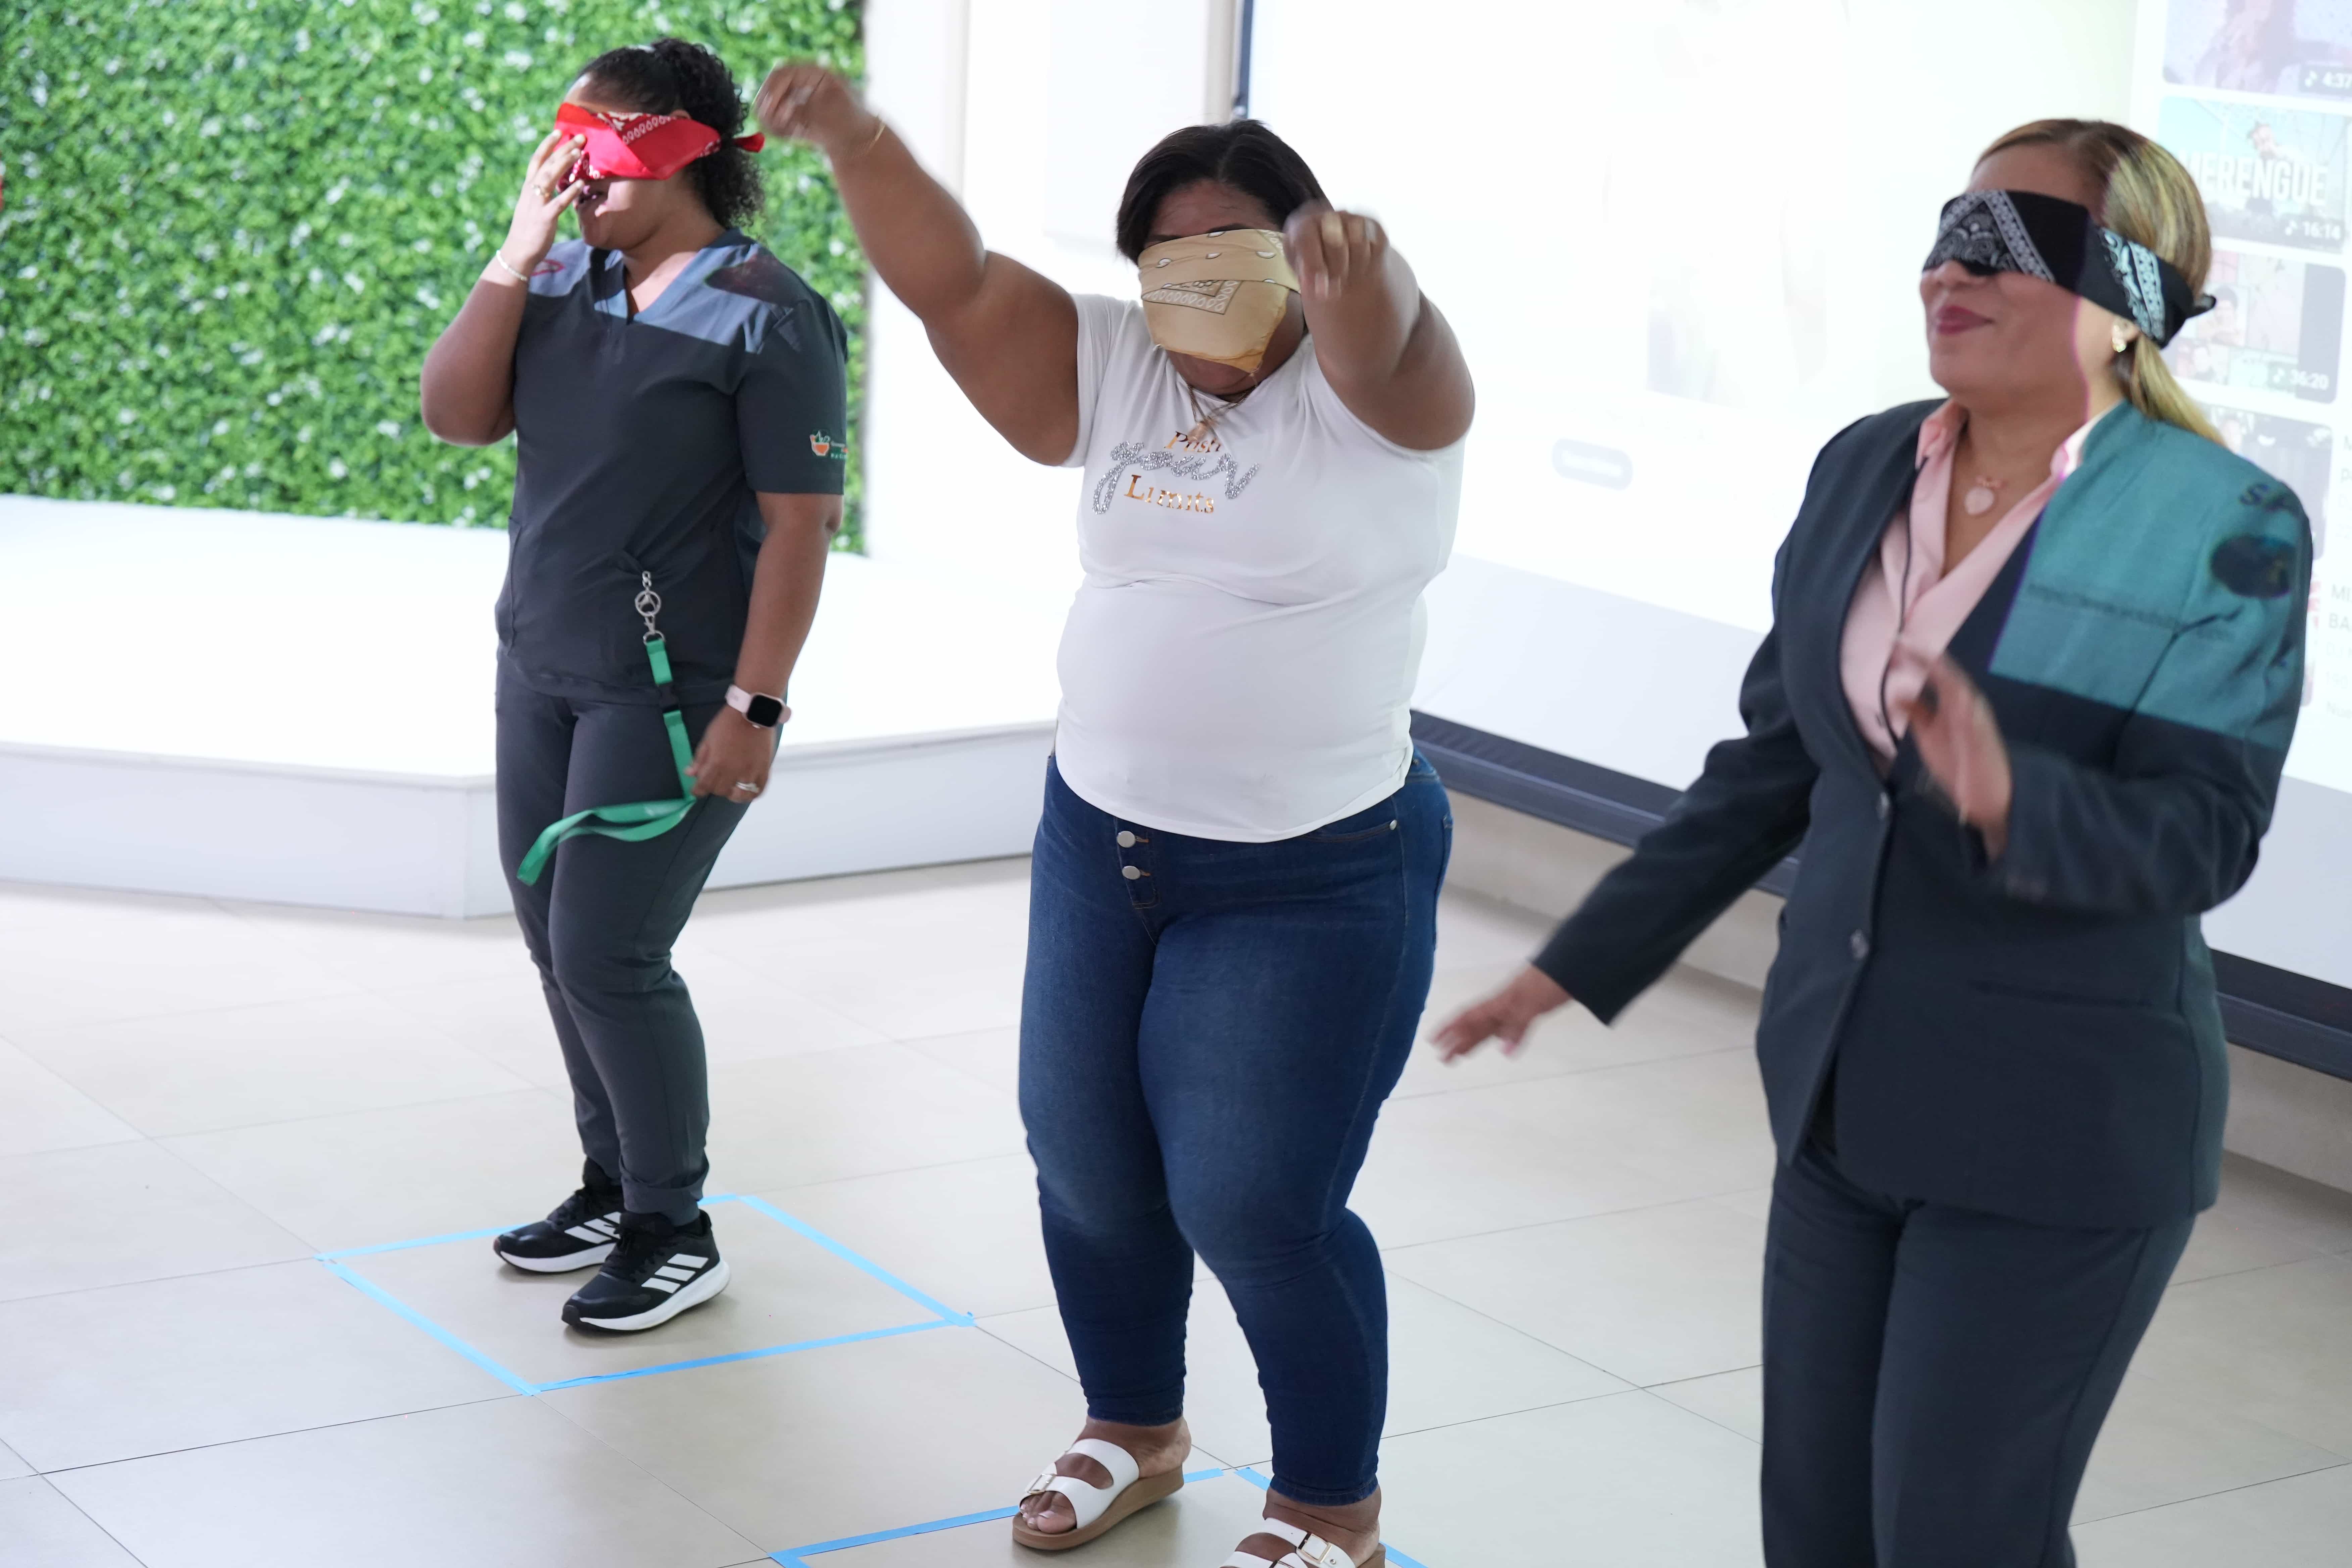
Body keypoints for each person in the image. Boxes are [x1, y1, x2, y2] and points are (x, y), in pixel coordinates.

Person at [1437, 119, 2307, 1568]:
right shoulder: (1863, 465)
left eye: (2008, 241)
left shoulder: (2217, 519)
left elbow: (2206, 834)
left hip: (2055, 1129)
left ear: (2130, 296)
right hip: (1840, 1097)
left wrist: (2016, 796)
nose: (1949, 270)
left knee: (1956, 1537)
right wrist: (1577, 960)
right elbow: (1775, 765)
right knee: (1819, 1532)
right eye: (1947, 231)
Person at [757, 65, 1472, 1568]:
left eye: (1235, 249)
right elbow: (953, 283)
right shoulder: (1119, 361)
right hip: (1104, 837)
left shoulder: (1378, 396)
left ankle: (1330, 1506)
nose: (1197, 281)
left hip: (1313, 868)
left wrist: (1365, 271)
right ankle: (1135, 1428)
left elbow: (1387, 330)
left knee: (1255, 1202)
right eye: (1168, 255)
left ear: (1303, 250)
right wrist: (860, 141)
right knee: (1084, 1162)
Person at [418, 38, 848, 1333]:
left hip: (671, 693)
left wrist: (755, 709)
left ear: (684, 152)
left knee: (610, 950)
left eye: (605, 147)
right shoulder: (557, 277)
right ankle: (613, 1186)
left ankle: (674, 1227)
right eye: (571, 144)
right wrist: (515, 250)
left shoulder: (767, 311)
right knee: (559, 945)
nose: (580, 172)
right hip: (541, 664)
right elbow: (455, 415)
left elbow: (802, 526)